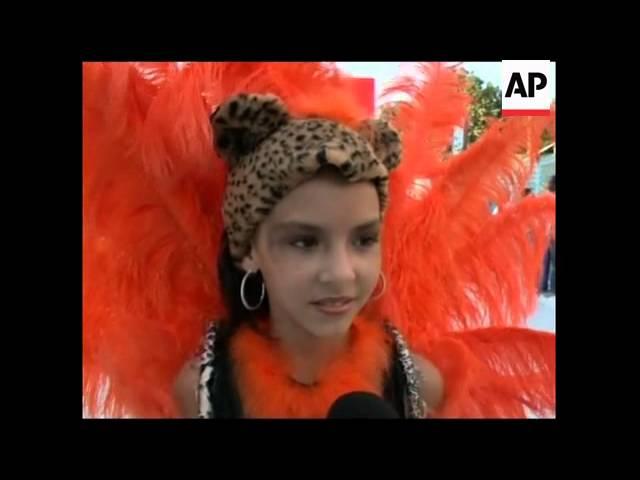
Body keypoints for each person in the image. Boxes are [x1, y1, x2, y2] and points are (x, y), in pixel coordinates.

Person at [83, 62, 556, 418]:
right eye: (304, 243)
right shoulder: (202, 391)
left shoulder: (416, 385)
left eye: (364, 240)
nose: (342, 273)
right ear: (249, 250)